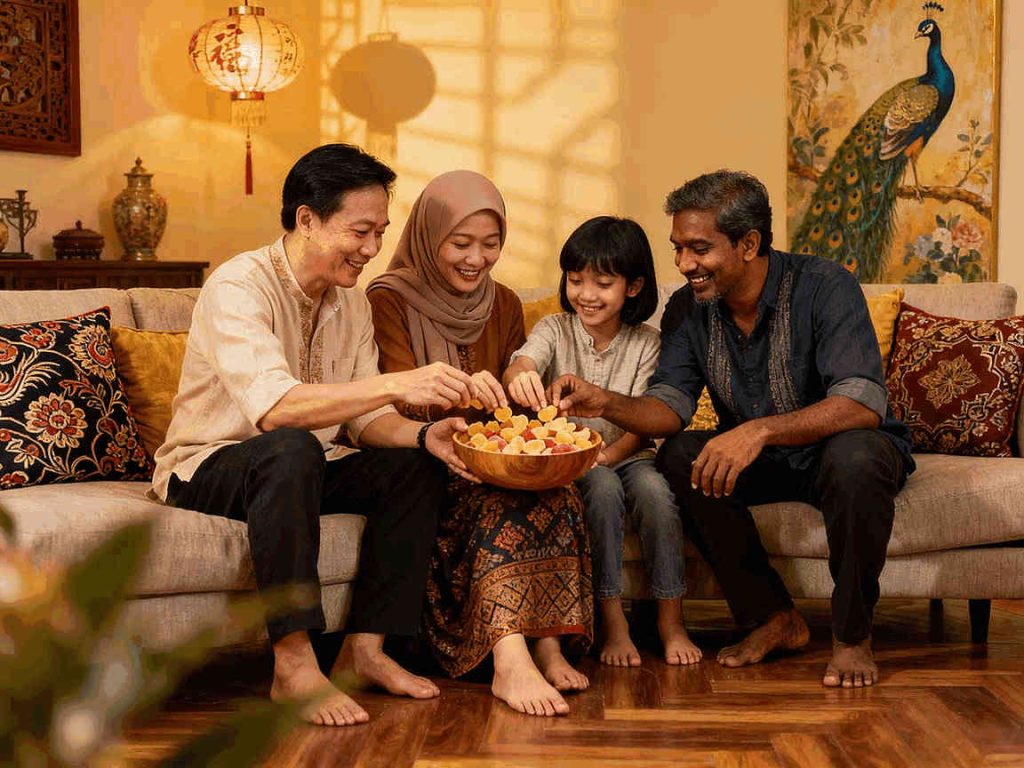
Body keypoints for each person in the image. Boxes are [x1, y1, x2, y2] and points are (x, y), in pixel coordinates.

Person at [152, 144, 484, 727]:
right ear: (307, 219)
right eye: (360, 231)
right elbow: (277, 408)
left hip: (308, 460)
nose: (372, 249)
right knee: (291, 445)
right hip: (208, 465)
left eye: (380, 232)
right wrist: (397, 382)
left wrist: (424, 435)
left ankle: (368, 648)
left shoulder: (350, 302)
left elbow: (361, 423)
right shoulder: (238, 286)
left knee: (413, 465)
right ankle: (294, 663)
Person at [547, 170, 915, 688]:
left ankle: (852, 637)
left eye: (699, 248)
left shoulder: (825, 285)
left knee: (856, 456)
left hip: (842, 449)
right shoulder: (688, 310)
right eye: (678, 248)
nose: (683, 264)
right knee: (679, 456)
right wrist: (604, 400)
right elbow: (669, 409)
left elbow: (861, 402)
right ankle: (773, 618)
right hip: (764, 459)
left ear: (749, 244)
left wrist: (758, 431)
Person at [366, 170, 593, 717]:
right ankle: (509, 660)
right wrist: (461, 394)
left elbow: (511, 412)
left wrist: (530, 397)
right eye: (460, 243)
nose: (476, 258)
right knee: (492, 505)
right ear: (427, 237)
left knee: (558, 494)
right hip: (421, 457)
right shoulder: (385, 299)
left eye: (490, 245)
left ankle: (549, 642)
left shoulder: (506, 303)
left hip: (490, 455)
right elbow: (390, 400)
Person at [503, 216, 700, 668]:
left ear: (632, 287)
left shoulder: (649, 342)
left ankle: (671, 618)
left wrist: (607, 455)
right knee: (604, 492)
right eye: (575, 281)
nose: (586, 294)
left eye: (602, 283)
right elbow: (522, 362)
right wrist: (522, 377)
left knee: (655, 493)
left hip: (627, 454)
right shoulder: (555, 328)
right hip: (573, 462)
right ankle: (613, 621)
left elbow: (646, 421)